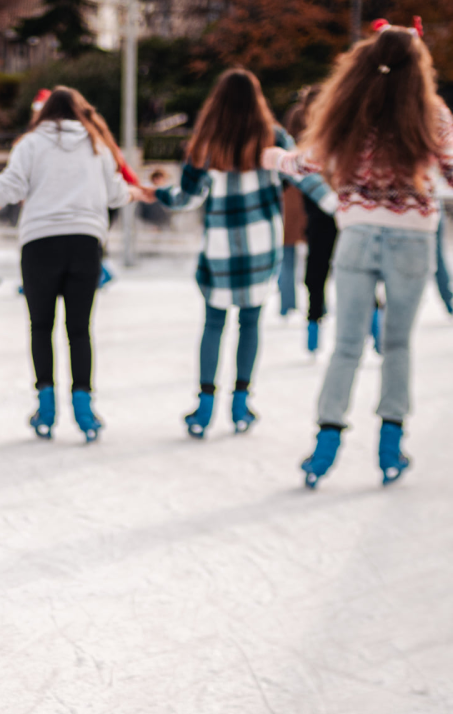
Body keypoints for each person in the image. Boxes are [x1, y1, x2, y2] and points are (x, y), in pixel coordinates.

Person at [264, 22, 453, 488]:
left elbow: (304, 162)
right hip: (413, 238)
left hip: (357, 234)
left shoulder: (350, 108)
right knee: (397, 344)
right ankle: (391, 443)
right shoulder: (433, 114)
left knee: (347, 344)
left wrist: (270, 157)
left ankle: (325, 442)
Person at [0, 87, 143, 442]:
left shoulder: (30, 144)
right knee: (79, 329)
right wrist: (137, 192)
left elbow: (6, 189)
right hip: (85, 243)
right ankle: (84, 409)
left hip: (40, 243)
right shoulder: (96, 145)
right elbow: (116, 194)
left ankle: (46, 406)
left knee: (41, 326)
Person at [153, 69, 335, 440]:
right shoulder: (273, 138)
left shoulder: (206, 143)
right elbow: (304, 177)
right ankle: (241, 403)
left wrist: (159, 193)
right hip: (261, 246)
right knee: (250, 323)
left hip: (221, 247)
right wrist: (340, 206)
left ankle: (205, 406)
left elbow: (187, 198)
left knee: (214, 323)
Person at [285, 85, 342, 353]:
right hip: (320, 218)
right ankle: (313, 325)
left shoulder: (342, 137)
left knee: (352, 272)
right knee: (317, 274)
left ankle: (375, 324)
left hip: (344, 216)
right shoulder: (305, 143)